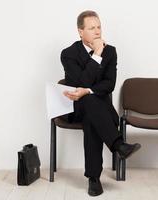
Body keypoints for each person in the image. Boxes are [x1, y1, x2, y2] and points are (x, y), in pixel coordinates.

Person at [60, 10, 141, 196]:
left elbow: (109, 84)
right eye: (91, 28)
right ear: (80, 32)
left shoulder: (110, 51)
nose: (97, 32)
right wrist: (96, 54)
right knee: (89, 103)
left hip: (95, 109)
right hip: (75, 107)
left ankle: (93, 179)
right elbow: (80, 81)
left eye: (99, 27)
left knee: (92, 116)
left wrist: (87, 90)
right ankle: (118, 144)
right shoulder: (68, 53)